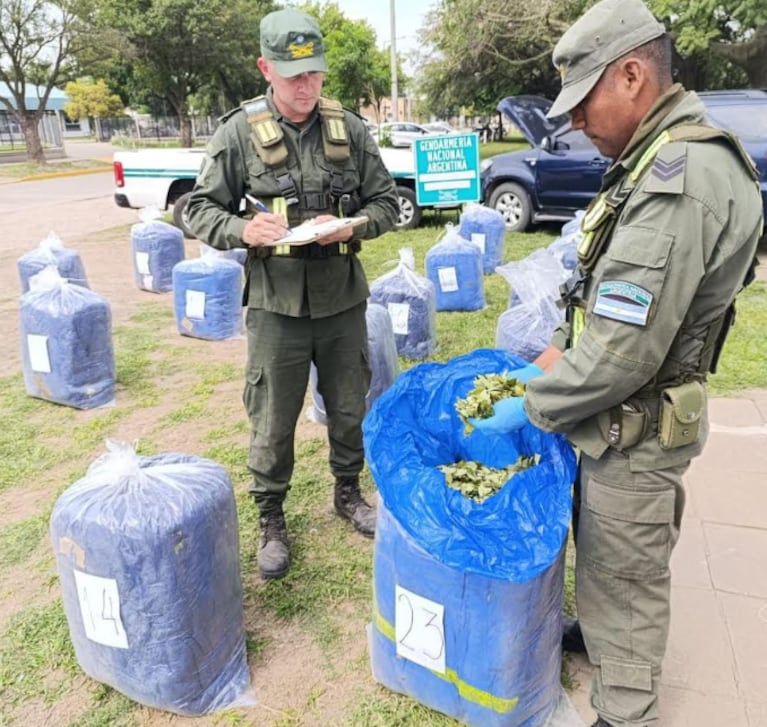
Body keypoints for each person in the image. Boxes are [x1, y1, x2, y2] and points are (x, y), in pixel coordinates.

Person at [471, 0, 764, 725]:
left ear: (631, 74)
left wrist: (533, 400)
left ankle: (624, 707)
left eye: (582, 102)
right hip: (618, 417)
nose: (573, 122)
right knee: (604, 556)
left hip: (631, 425)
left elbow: (623, 352)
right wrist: (560, 352)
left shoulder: (679, 177)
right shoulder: (658, 158)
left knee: (623, 571)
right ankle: (600, 634)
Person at [185, 8, 400, 580]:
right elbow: (197, 207)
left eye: (314, 74)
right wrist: (241, 230)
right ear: (265, 68)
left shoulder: (349, 128)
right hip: (276, 307)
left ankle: (348, 492)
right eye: (292, 75)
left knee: (350, 404)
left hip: (342, 300)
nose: (305, 87)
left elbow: (387, 202)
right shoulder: (237, 132)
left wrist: (353, 226)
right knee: (273, 417)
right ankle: (271, 516)